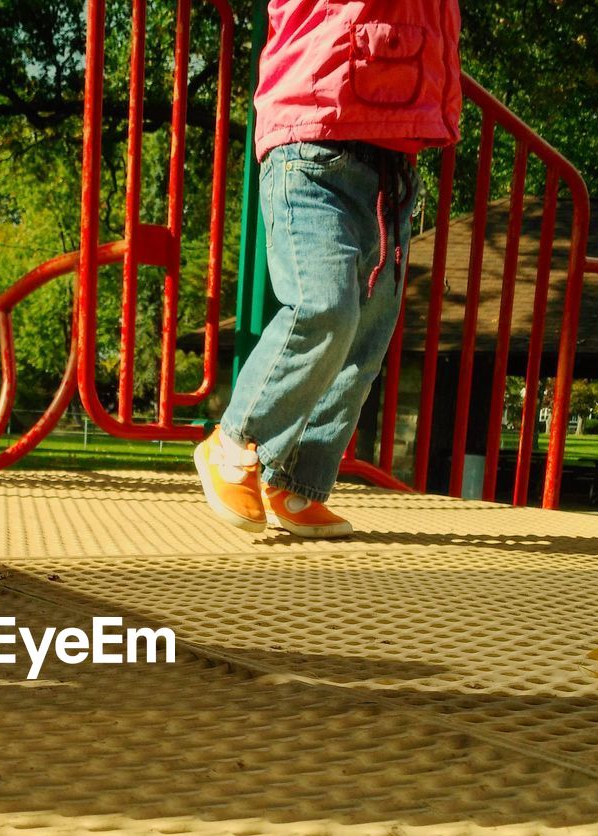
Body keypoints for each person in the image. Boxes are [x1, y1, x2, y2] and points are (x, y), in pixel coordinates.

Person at [194, 1, 462, 538]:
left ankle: (297, 482)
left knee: (367, 336)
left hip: (393, 160)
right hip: (313, 138)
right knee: (324, 305)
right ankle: (236, 440)